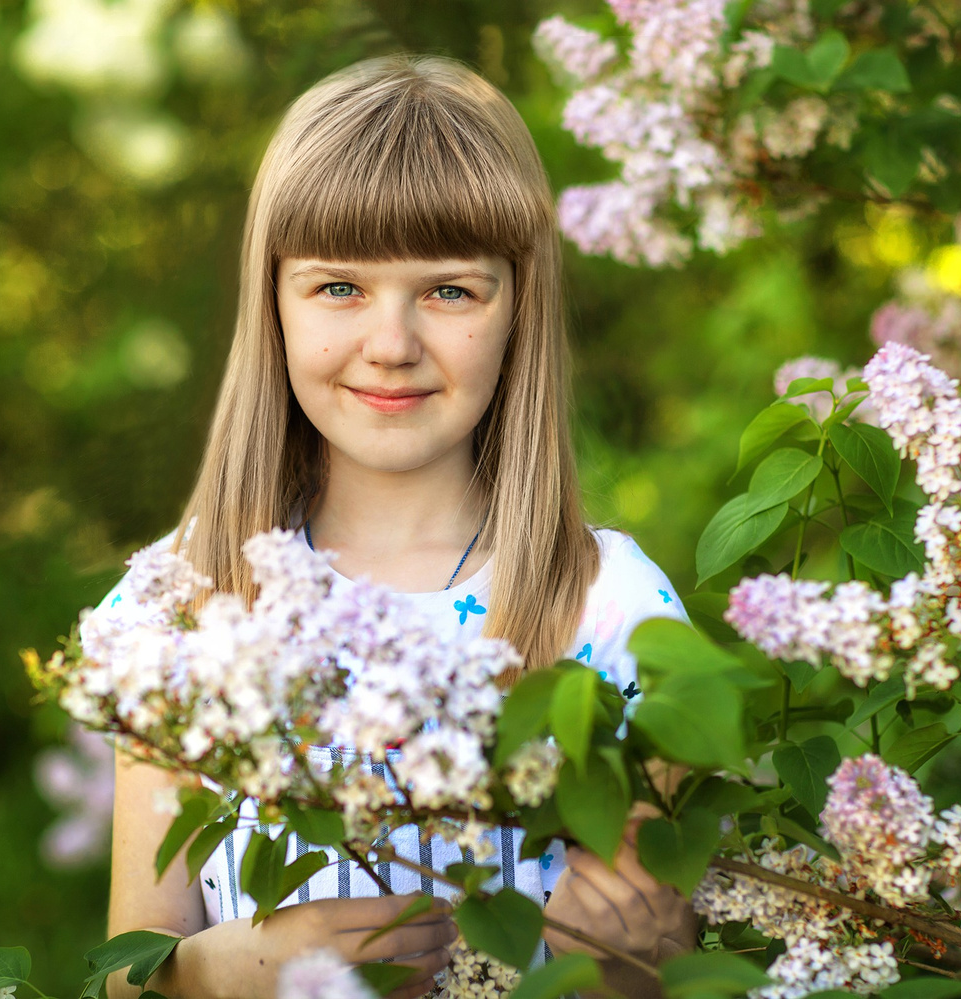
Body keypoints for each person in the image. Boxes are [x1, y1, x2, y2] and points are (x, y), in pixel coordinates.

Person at [101, 56, 693, 998]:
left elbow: (672, 955)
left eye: (450, 291)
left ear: (519, 308)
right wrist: (222, 973)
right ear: (273, 303)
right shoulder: (184, 600)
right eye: (339, 287)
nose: (391, 344)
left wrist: (641, 959)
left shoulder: (609, 607)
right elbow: (127, 973)